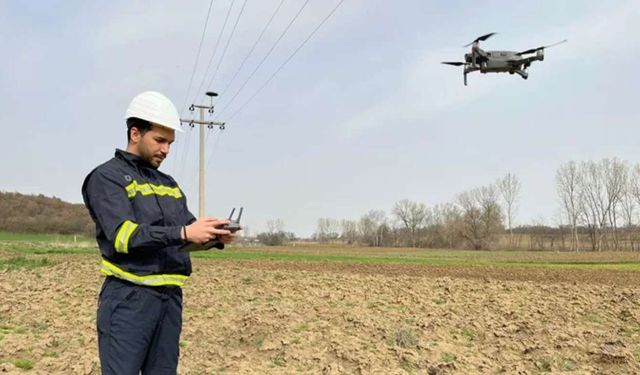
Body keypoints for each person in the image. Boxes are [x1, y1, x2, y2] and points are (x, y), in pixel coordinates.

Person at [82, 91, 237, 374]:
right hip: (129, 299)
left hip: (169, 300)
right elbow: (123, 236)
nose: (166, 149)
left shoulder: (169, 184)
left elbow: (185, 236)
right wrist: (183, 232)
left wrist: (214, 238)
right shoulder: (107, 177)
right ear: (135, 133)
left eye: (170, 143)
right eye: (160, 140)